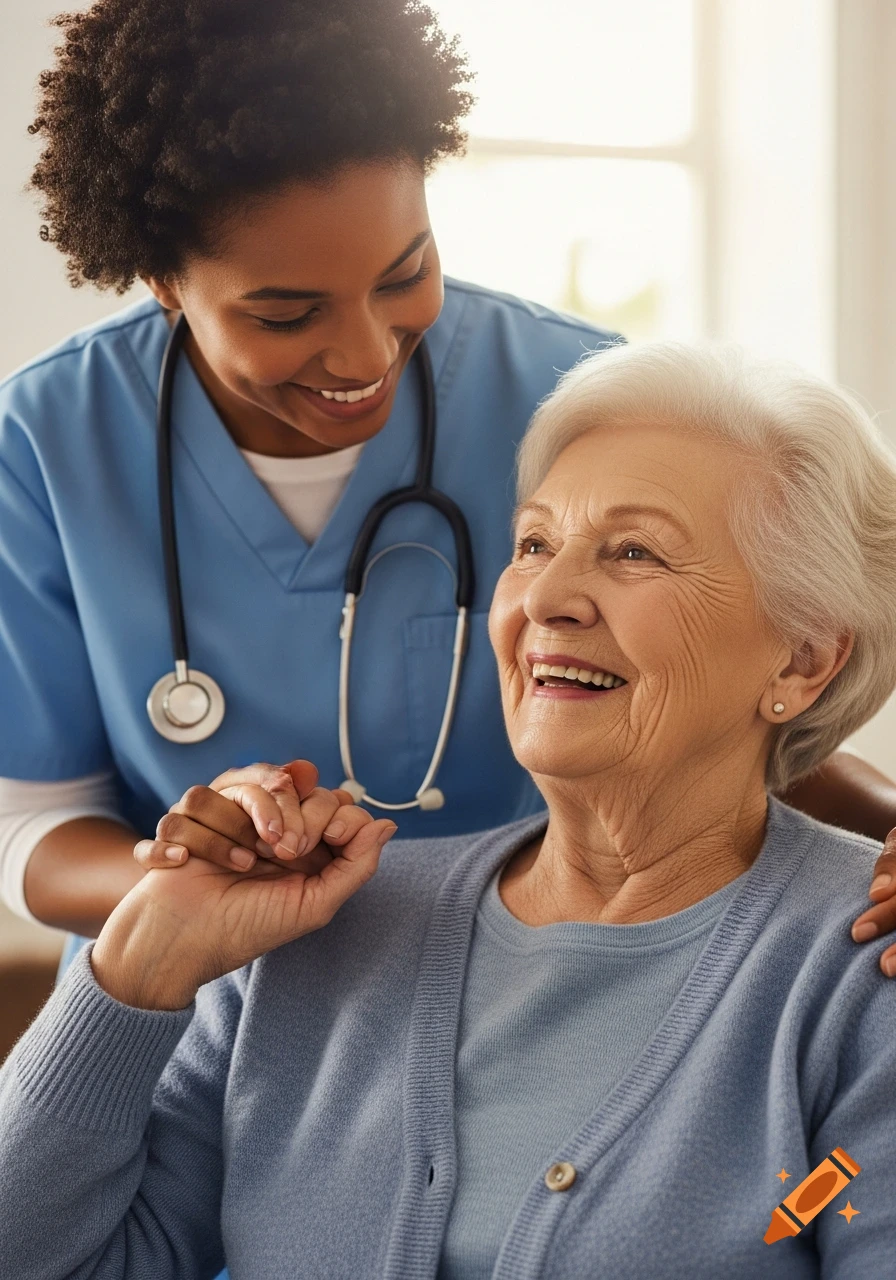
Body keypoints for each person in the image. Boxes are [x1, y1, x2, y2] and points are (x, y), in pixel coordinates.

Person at [2, 0, 896, 966]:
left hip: (533, 975)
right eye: (287, 313)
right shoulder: (48, 441)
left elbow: (713, 712)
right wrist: (194, 883)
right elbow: (33, 823)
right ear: (162, 279)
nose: (364, 351)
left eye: (405, 272)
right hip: (206, 999)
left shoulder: (582, 406)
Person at [2, 341, 896, 1278]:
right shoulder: (307, 940)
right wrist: (144, 956)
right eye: (533, 545)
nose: (545, 599)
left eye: (636, 552)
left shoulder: (864, 967)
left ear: (801, 662)